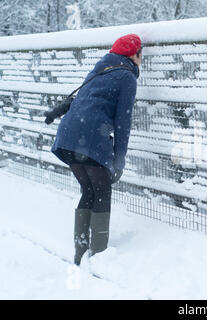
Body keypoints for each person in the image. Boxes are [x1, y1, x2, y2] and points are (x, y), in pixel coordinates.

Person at [50, 34, 142, 265]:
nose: (142, 60)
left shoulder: (100, 68)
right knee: (102, 192)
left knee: (89, 191)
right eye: (141, 55)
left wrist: (56, 113)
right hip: (90, 139)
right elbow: (123, 122)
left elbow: (83, 99)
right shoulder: (127, 78)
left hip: (69, 137)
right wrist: (119, 160)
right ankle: (99, 256)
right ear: (134, 55)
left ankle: (80, 252)